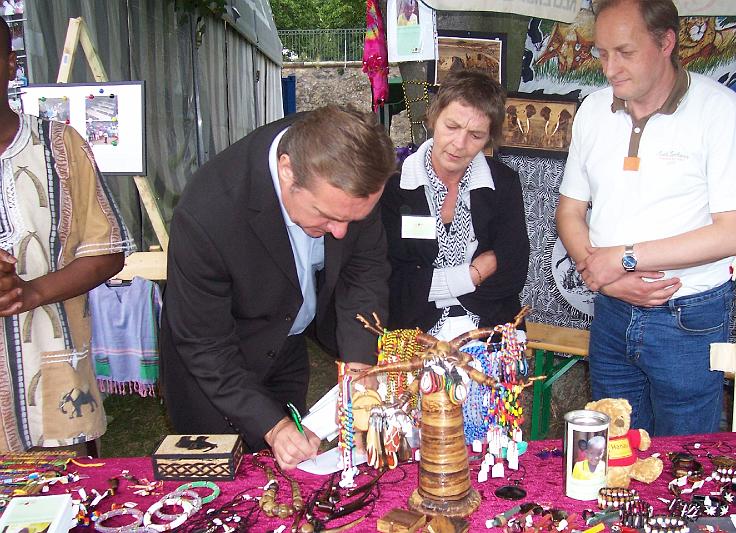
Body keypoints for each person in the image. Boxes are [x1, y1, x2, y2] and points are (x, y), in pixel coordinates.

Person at [555, 0, 736, 436]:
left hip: (688, 316)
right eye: (602, 53)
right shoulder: (593, 111)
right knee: (615, 445)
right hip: (612, 308)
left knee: (683, 458)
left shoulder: (720, 110)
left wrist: (626, 259)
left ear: (666, 42)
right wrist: (607, 277)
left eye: (625, 52)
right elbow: (570, 210)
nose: (610, 68)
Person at [160, 105, 396, 470]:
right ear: (287, 171)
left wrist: (359, 364)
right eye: (328, 216)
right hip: (215, 370)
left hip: (287, 344)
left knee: (291, 479)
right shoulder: (208, 212)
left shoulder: (351, 171)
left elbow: (363, 270)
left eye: (353, 218)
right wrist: (271, 426)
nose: (340, 232)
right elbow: (204, 343)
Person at [0, 17, 132, 451]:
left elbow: (108, 250)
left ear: (10, 64)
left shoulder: (60, 143)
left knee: (66, 509)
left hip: (58, 394)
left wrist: (31, 292)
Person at [380, 70, 529, 340]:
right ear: (433, 118)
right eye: (452, 127)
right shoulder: (394, 188)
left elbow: (513, 273)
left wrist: (429, 283)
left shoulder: (503, 183)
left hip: (492, 331)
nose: (459, 144)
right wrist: (472, 275)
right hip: (415, 336)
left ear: (488, 139)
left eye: (475, 135)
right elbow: (393, 281)